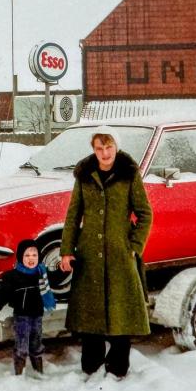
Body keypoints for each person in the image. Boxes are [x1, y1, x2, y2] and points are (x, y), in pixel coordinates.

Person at [59, 125, 153, 378]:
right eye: (99, 148)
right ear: (94, 149)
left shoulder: (129, 174)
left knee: (121, 311)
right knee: (90, 312)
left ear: (116, 147)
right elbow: (73, 215)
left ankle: (118, 367)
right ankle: (91, 366)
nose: (104, 153)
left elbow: (145, 214)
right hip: (89, 253)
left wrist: (134, 247)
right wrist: (67, 251)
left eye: (108, 146)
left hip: (120, 253)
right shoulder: (84, 174)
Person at [0, 239, 56, 375]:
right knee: (22, 346)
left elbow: (57, 276)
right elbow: (2, 295)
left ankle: (39, 372)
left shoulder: (41, 273)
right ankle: (19, 375)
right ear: (20, 257)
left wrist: (67, 267)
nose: (31, 259)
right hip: (22, 317)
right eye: (27, 255)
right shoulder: (14, 277)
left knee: (36, 345)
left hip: (37, 316)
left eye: (34, 255)